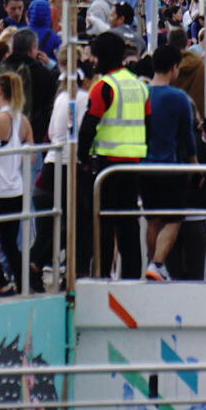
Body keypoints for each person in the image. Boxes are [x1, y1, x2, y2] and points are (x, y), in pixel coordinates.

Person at [79, 31, 150, 281]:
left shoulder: (103, 87)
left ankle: (102, 274)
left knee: (103, 225)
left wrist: (82, 158)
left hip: (107, 167)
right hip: (134, 166)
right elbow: (148, 124)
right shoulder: (140, 86)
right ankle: (131, 278)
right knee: (129, 225)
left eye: (95, 56)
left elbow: (88, 126)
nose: (93, 61)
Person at [139, 46, 195, 283]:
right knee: (174, 218)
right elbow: (187, 137)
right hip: (171, 166)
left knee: (153, 219)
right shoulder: (179, 98)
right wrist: (195, 165)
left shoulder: (141, 94)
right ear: (174, 68)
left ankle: (155, 266)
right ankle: (157, 263)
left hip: (143, 165)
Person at [0, 70, 36, 290]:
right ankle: (20, 281)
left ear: (0, 91)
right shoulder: (23, 122)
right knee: (9, 242)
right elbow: (31, 158)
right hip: (17, 189)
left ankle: (5, 282)